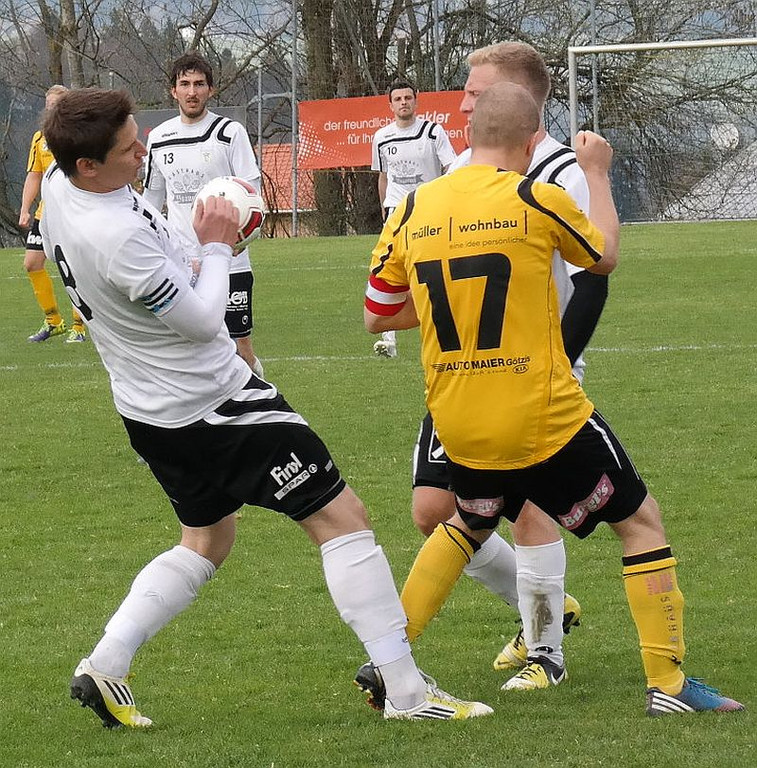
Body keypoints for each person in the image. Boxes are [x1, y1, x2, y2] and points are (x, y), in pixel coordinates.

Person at [40, 87, 492, 728]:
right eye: (128, 149)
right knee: (342, 518)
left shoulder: (61, 184)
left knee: (206, 539)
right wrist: (218, 245)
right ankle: (407, 692)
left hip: (149, 412)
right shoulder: (113, 238)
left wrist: (196, 242)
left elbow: (157, 258)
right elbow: (204, 322)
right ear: (87, 165)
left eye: (139, 138)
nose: (143, 153)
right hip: (218, 405)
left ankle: (106, 664)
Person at [362, 80, 744, 716]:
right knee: (640, 523)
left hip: (458, 417)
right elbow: (603, 258)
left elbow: (378, 314)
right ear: (530, 141)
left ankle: (386, 662)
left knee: (471, 522)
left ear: (469, 135)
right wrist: (596, 174)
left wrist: (453, 305)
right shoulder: (533, 197)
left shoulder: (411, 208)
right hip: (541, 412)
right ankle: (669, 684)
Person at [360, 43, 599, 702]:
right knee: (433, 510)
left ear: (516, 97)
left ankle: (544, 648)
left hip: (535, 375)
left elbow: (593, 278)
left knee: (527, 511)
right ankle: (542, 608)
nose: (462, 104)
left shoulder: (560, 173)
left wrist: (558, 363)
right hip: (462, 373)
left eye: (474, 92)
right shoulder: (462, 172)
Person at [143, 52, 263, 375]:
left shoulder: (230, 132)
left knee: (240, 349)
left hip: (230, 260)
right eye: (184, 84)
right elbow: (151, 201)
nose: (192, 92)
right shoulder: (158, 138)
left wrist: (236, 242)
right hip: (181, 263)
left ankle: (261, 394)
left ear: (211, 89)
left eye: (199, 84)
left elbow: (252, 196)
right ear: (174, 91)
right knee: (190, 351)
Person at [370, 79, 457, 359]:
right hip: (396, 209)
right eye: (398, 99)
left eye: (408, 97)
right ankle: (388, 339)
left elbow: (451, 167)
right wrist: (384, 207)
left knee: (432, 266)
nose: (403, 103)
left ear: (416, 101)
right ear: (390, 105)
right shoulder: (381, 137)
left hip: (428, 207)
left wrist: (444, 199)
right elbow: (383, 176)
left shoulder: (432, 132)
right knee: (389, 268)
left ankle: (442, 327)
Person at [19, 84, 87, 343]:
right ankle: (53, 322)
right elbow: (34, 175)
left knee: (73, 267)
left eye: (56, 106)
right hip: (44, 214)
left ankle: (79, 326)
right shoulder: (39, 138)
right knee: (32, 263)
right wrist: (25, 209)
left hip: (71, 213)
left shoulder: (79, 137)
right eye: (48, 107)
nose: (51, 111)